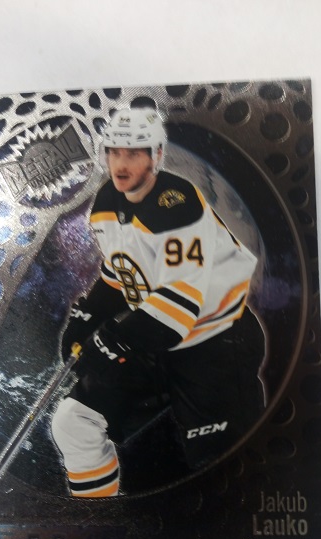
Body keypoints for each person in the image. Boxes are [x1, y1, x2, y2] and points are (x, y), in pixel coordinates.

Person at [51, 107, 265, 498]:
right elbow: (123, 271)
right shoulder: (106, 203)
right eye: (114, 152)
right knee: (73, 422)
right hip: (153, 340)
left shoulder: (177, 203)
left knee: (221, 470)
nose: (121, 163)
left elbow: (176, 308)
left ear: (157, 155)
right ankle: (98, 518)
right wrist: (87, 316)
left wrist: (111, 339)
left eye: (134, 153)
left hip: (216, 342)